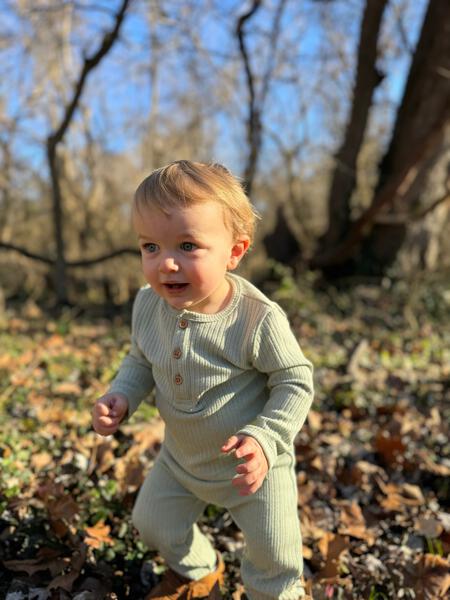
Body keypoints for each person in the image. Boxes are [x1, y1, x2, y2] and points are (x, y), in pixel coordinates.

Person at [92, 160, 314, 600]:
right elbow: (141, 359)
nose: (166, 264)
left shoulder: (256, 318)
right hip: (181, 461)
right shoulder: (147, 306)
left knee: (275, 555)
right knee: (153, 524)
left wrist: (267, 439)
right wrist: (122, 394)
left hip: (253, 469)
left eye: (188, 245)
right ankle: (200, 571)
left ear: (234, 251)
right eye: (150, 246)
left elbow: (295, 380)